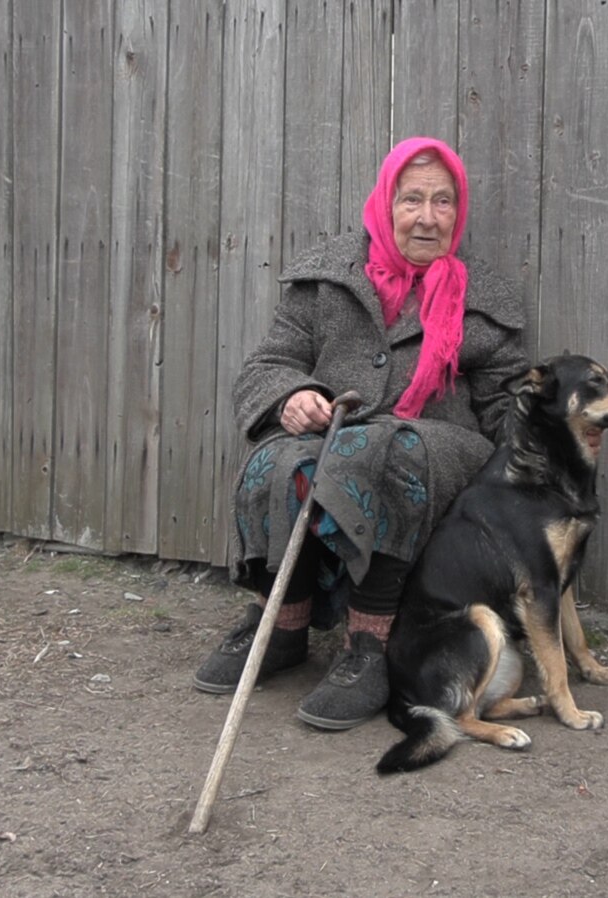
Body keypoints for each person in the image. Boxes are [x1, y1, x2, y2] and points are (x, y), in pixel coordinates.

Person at [193, 137, 530, 730]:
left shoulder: (482, 302)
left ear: (459, 211)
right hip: (333, 434)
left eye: (443, 202)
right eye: (413, 200)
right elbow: (267, 364)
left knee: (382, 448)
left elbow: (506, 405)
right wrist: (290, 395)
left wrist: (549, 445)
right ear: (385, 203)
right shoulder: (327, 280)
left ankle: (368, 647)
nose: (428, 217)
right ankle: (283, 627)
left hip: (441, 447)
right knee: (278, 462)